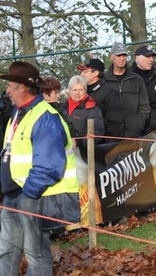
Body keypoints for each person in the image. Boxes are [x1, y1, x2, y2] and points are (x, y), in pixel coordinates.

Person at [0, 61, 79, 275]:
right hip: (14, 194)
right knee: (7, 250)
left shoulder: (45, 117)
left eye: (9, 85)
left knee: (35, 251)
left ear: (22, 88)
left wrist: (29, 193)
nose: (6, 90)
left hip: (31, 194)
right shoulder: (19, 114)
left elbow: (50, 165)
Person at [104, 42, 151, 138]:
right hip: (110, 136)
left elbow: (144, 106)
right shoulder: (103, 80)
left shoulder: (137, 80)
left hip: (133, 134)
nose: (122, 58)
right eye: (119, 55)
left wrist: (137, 125)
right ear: (111, 56)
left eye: (124, 55)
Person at [78, 58, 125, 142]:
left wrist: (107, 146)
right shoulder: (83, 92)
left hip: (104, 146)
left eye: (85, 72)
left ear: (95, 73)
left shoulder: (110, 93)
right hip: (85, 143)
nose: (81, 75)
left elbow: (116, 123)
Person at [131, 45, 156, 135]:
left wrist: (141, 96)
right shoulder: (128, 77)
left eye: (152, 57)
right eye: (147, 56)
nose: (151, 59)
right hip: (131, 130)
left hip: (151, 130)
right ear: (137, 58)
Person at [62, 75, 104, 146]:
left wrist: (78, 143)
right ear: (70, 91)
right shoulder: (62, 108)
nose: (77, 93)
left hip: (81, 152)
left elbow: (97, 133)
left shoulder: (92, 109)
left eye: (80, 90)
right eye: (74, 90)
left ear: (85, 91)